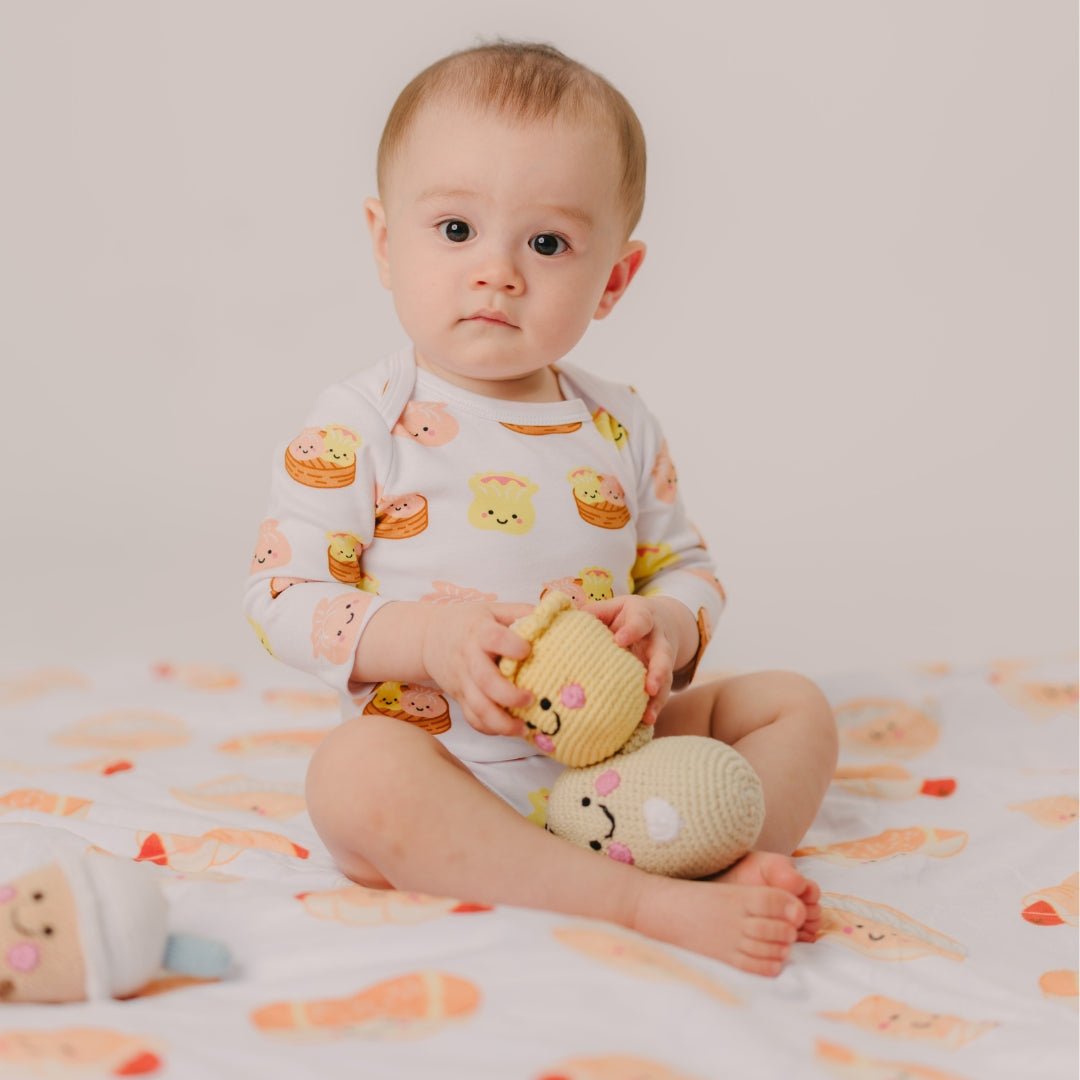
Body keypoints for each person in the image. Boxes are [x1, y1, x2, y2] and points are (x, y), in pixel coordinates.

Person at [242, 39, 839, 977]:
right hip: (448, 772)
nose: (499, 272)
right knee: (353, 774)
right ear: (383, 240)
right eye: (454, 231)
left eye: (548, 243)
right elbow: (280, 595)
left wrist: (666, 629)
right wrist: (429, 642)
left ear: (613, 279)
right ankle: (644, 899)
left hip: (616, 767)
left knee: (791, 707)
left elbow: (688, 568)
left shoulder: (618, 423)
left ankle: (695, 839)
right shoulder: (364, 422)